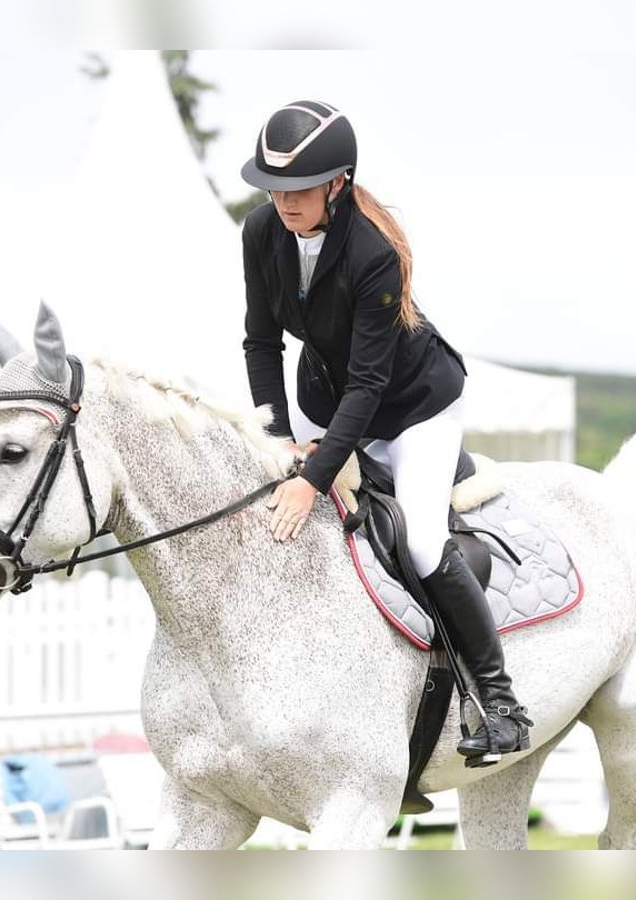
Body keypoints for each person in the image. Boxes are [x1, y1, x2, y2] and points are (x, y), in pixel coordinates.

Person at [239, 99, 530, 764]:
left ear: (337, 182)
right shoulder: (260, 233)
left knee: (422, 543)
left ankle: (501, 702)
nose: (284, 201)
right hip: (323, 397)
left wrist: (313, 478)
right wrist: (276, 435)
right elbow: (261, 342)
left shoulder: (374, 253)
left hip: (410, 408)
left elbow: (370, 388)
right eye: (275, 188)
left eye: (300, 188)